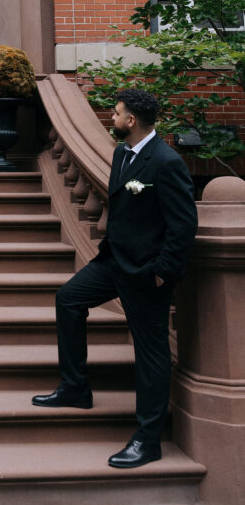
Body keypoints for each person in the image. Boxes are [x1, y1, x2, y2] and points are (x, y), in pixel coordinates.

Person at [32, 87, 198, 469]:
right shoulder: (123, 153)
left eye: (117, 112)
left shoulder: (166, 162)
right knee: (68, 299)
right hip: (112, 262)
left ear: (132, 121)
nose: (112, 117)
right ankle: (75, 388)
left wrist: (162, 274)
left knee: (151, 353)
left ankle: (148, 439)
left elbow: (183, 226)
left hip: (145, 273)